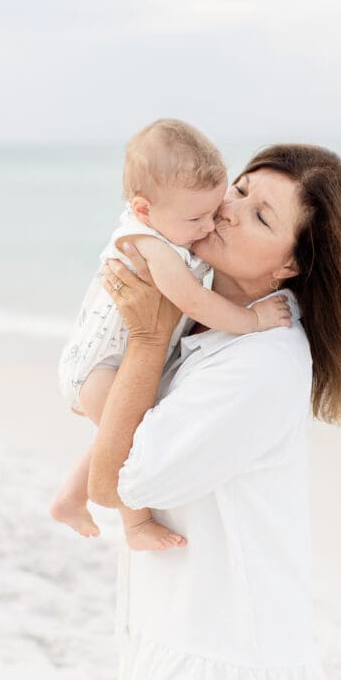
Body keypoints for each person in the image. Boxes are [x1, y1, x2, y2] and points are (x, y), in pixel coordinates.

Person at [88, 143, 341, 680]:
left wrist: (148, 335)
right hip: (185, 635)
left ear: (290, 264)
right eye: (238, 189)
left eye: (259, 213)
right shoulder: (211, 324)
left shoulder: (260, 363)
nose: (227, 208)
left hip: (224, 661)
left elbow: (123, 481)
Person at [51, 118, 290, 551]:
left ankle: (69, 498)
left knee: (114, 434)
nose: (210, 224)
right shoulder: (151, 245)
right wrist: (253, 320)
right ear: (144, 209)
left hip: (111, 362)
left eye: (216, 207)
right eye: (198, 216)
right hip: (101, 366)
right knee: (130, 439)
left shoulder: (168, 223)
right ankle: (136, 525)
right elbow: (194, 302)